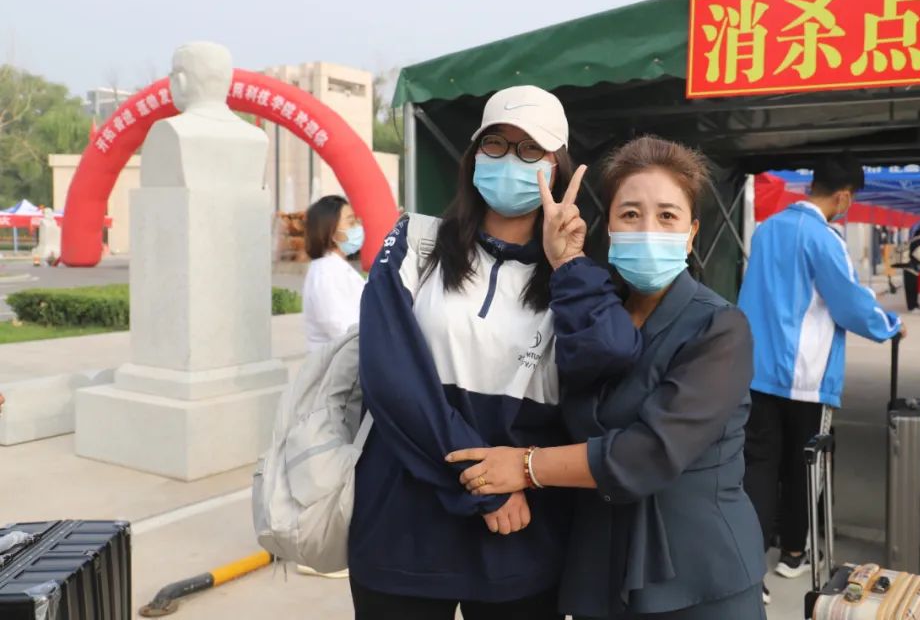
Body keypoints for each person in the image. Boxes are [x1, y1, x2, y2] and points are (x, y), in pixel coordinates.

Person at [446, 135, 767, 619]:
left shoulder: (720, 327)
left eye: (667, 216)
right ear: (609, 227)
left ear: (691, 233)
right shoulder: (595, 314)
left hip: (698, 575)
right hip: (599, 567)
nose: (648, 229)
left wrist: (526, 466)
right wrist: (564, 261)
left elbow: (649, 453)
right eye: (630, 214)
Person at [349, 86, 574, 620]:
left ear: (558, 168)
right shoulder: (414, 241)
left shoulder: (573, 279)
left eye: (531, 149)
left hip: (518, 535)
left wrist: (571, 263)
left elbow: (597, 380)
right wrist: (486, 487)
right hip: (404, 527)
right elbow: (392, 379)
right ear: (474, 156)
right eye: (495, 144)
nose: (510, 159)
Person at [738, 155, 904, 596]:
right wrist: (890, 325)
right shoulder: (825, 239)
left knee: (758, 468)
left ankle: (748, 573)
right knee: (803, 466)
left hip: (756, 372)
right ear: (843, 196)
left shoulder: (767, 230)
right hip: (805, 378)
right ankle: (794, 552)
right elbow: (850, 304)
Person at [302, 195, 367, 353]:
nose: (358, 227)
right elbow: (343, 330)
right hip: (339, 362)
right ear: (330, 230)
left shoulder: (337, 268)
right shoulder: (325, 274)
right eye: (351, 222)